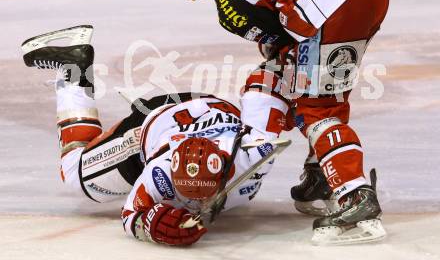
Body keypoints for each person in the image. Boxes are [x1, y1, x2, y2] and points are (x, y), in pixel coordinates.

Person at [151, 0, 389, 244]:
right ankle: (322, 175)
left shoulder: (230, 5)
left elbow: (281, 44)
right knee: (321, 90)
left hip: (336, 8)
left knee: (314, 109)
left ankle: (354, 195)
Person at [21, 25, 291, 246]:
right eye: (187, 195)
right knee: (72, 174)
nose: (196, 205)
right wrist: (152, 225)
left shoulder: (256, 153)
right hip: (154, 123)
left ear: (223, 173)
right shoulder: (159, 172)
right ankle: (72, 70)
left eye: (202, 197)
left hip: (201, 108)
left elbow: (269, 83)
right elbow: (130, 215)